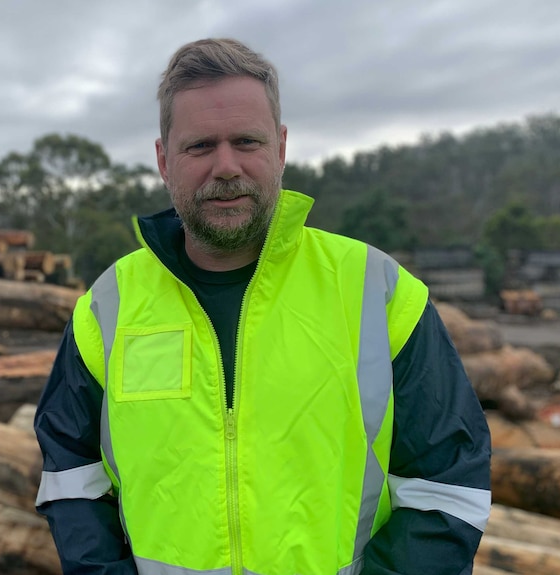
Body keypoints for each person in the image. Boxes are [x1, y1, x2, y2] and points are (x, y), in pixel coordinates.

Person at [34, 38, 491, 575]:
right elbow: (72, 476)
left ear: (280, 147)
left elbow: (446, 485)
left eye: (246, 142)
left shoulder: (379, 292)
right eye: (200, 146)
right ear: (163, 160)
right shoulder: (106, 309)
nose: (226, 166)